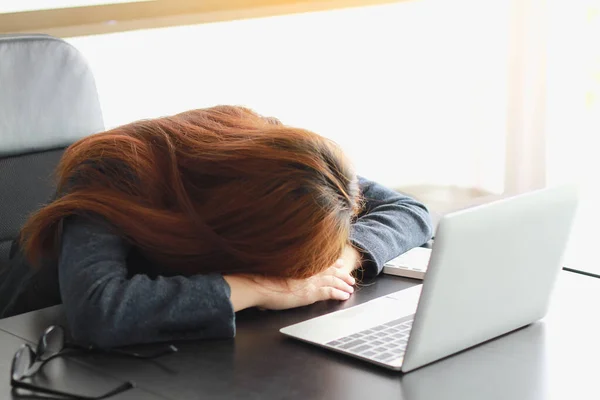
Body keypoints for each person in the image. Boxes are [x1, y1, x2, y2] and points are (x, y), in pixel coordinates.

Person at [0, 106, 433, 348]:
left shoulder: (293, 162)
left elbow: (410, 210)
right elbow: (99, 310)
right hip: (29, 340)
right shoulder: (117, 171)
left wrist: (341, 256)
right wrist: (264, 288)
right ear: (240, 224)